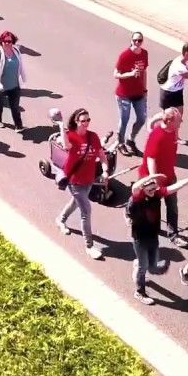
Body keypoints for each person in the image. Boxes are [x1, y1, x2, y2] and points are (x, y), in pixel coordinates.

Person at [126, 171, 188, 305]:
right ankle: (139, 292)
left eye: (154, 188)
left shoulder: (157, 194)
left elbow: (175, 187)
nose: (152, 191)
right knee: (144, 266)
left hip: (153, 234)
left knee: (150, 263)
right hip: (140, 237)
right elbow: (135, 188)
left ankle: (138, 264)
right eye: (149, 189)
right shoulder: (137, 197)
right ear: (143, 188)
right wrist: (150, 177)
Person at [55, 108, 109, 260]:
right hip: (75, 181)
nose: (86, 123)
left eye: (88, 120)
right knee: (86, 211)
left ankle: (61, 219)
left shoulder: (93, 137)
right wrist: (60, 126)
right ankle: (89, 246)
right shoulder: (71, 136)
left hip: (89, 179)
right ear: (76, 122)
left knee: (75, 203)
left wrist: (105, 171)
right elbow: (66, 146)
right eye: (83, 121)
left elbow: (102, 156)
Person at [139, 108, 183, 246]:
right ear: (169, 121)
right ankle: (130, 211)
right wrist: (154, 178)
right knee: (148, 204)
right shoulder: (157, 135)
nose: (181, 122)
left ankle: (173, 234)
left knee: (172, 206)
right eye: (178, 120)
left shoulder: (173, 130)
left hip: (169, 175)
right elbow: (151, 158)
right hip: (154, 177)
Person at [113, 31, 149, 156]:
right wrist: (130, 74)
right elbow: (116, 74)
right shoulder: (125, 55)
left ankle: (131, 139)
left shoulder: (144, 54)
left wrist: (145, 89)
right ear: (131, 41)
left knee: (142, 118)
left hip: (139, 93)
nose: (137, 43)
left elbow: (144, 72)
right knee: (124, 119)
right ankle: (120, 143)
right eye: (135, 40)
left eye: (140, 41)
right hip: (124, 94)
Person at [0, 30, 26, 131]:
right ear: (1, 42)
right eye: (5, 41)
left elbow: (20, 65)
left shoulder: (16, 51)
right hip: (0, 86)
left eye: (10, 41)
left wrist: (23, 77)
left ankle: (19, 125)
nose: (7, 44)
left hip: (14, 85)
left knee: (15, 107)